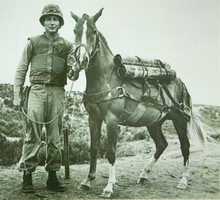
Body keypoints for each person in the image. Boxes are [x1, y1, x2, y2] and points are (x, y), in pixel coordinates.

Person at [13, 4, 79, 193]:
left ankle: (52, 176)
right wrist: (17, 95)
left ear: (60, 23)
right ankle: (27, 176)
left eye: (55, 19)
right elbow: (21, 69)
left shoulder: (68, 46)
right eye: (48, 19)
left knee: (54, 137)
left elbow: (72, 72)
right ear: (43, 22)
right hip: (36, 92)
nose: (52, 22)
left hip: (57, 92)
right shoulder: (32, 42)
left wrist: (75, 70)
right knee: (32, 134)